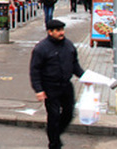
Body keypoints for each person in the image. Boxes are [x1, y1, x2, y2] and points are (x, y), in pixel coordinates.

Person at [29, 19, 85, 149]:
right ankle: (54, 144)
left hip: (66, 85)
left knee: (68, 113)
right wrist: (39, 89)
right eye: (58, 30)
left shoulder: (69, 45)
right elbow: (35, 70)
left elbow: (75, 64)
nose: (62, 33)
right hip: (50, 87)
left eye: (62, 30)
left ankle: (54, 132)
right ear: (50, 32)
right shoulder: (41, 48)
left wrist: (84, 76)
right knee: (53, 115)